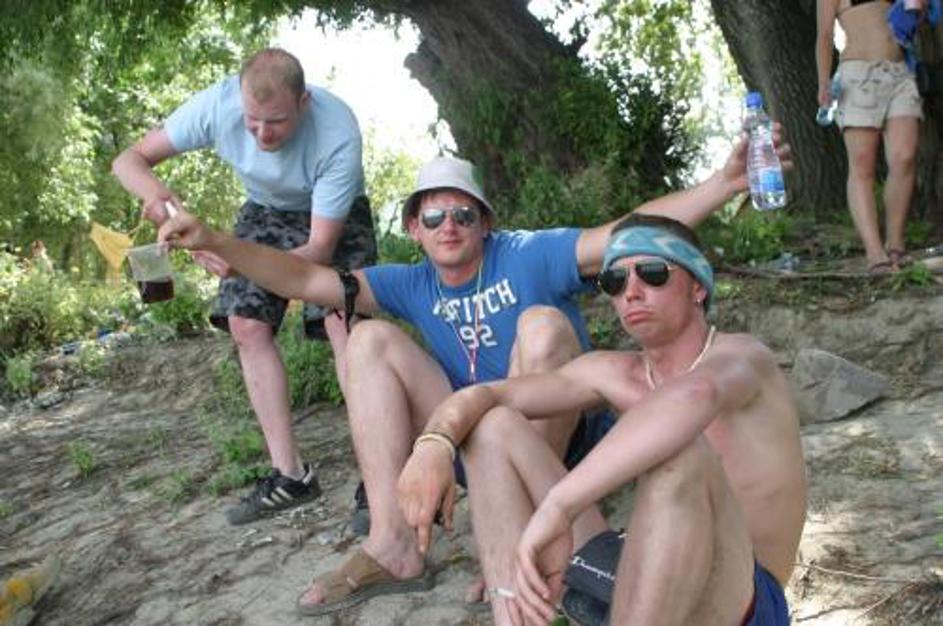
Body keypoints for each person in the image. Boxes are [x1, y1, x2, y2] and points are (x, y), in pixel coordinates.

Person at [157, 139, 791, 615]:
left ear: (486, 221)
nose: (449, 226)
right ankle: (402, 546)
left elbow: (627, 236)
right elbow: (300, 279)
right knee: (375, 344)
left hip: (583, 465)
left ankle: (521, 531)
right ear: (414, 229)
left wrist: (722, 184)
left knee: (544, 329)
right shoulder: (412, 284)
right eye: (433, 218)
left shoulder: (533, 257)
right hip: (495, 447)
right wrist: (217, 239)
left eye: (463, 214)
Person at [398, 214, 807, 625]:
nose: (632, 292)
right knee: (493, 425)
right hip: (650, 579)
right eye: (615, 281)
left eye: (652, 273)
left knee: (678, 451)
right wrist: (434, 443)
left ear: (698, 286)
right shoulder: (614, 373)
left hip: (743, 597)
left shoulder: (742, 357)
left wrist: (558, 507)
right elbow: (485, 396)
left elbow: (692, 396)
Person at [112, 48, 377, 525]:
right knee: (246, 324)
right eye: (252, 121)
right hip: (265, 209)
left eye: (275, 122)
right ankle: (291, 475)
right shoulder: (217, 106)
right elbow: (127, 160)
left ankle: (378, 478)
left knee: (346, 326)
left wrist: (236, 260)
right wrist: (156, 197)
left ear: (303, 102)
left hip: (331, 217)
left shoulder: (338, 133)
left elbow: (317, 253)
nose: (261, 134)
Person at [816, 0, 925, 273]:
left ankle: (895, 244)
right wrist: (823, 82)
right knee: (862, 166)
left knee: (904, 157)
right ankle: (875, 253)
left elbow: (914, 17)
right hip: (858, 76)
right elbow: (825, 34)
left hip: (899, 73)